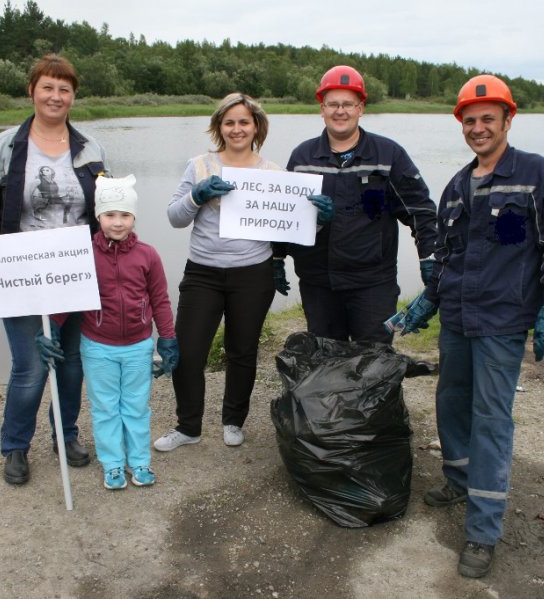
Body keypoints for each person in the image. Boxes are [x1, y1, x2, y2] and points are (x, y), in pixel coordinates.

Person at [398, 74, 544, 578]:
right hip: (457, 317)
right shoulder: (457, 187)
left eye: (487, 119)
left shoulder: (537, 175)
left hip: (502, 320)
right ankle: (458, 479)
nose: (478, 128)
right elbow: (448, 258)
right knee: (450, 402)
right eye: (470, 120)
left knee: (492, 420)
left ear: (507, 119)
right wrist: (425, 302)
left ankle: (482, 531)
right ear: (462, 124)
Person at [0, 53, 110, 485]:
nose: (56, 96)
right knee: (30, 366)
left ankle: (65, 434)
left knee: (70, 364)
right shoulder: (7, 147)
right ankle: (15, 445)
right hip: (21, 274)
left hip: (74, 273)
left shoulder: (90, 149)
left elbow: (107, 211)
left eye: (64, 89)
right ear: (31, 91)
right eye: (47, 87)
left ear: (74, 96)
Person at [153, 93, 281, 452]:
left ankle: (233, 421)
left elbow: (289, 228)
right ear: (218, 127)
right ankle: (188, 426)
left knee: (242, 351)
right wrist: (196, 195)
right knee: (189, 351)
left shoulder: (272, 172)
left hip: (252, 273)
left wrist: (315, 218)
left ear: (256, 126)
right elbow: (174, 218)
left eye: (244, 122)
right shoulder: (199, 166)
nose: (237, 129)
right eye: (229, 122)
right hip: (203, 273)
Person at [273, 65, 437, 344]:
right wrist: (276, 256)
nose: (340, 111)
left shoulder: (388, 154)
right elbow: (285, 214)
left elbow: (419, 210)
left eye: (348, 104)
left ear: (361, 108)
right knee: (326, 362)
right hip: (318, 283)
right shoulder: (302, 156)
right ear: (321, 109)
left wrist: (430, 257)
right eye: (333, 104)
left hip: (373, 283)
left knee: (374, 365)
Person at [37, 175, 178, 490]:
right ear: (98, 216)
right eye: (110, 215)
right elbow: (67, 297)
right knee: (104, 408)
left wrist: (167, 337)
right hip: (98, 346)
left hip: (139, 345)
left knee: (136, 406)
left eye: (125, 215)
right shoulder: (83, 254)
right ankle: (113, 464)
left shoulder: (148, 255)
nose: (118, 222)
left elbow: (160, 300)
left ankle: (139, 462)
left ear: (134, 217)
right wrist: (52, 329)